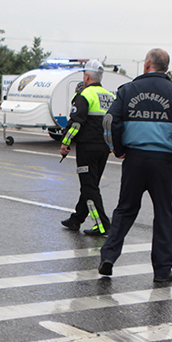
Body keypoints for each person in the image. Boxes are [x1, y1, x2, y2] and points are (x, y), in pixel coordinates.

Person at [98, 49, 172, 283]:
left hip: (134, 159)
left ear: (146, 65)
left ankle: (108, 257)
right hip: (163, 161)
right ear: (166, 68)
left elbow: (110, 121)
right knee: (163, 213)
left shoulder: (127, 90)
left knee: (125, 209)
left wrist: (118, 149)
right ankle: (162, 270)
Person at [59, 60, 115, 236]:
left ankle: (102, 224)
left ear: (87, 76)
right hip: (104, 147)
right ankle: (77, 219)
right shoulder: (109, 96)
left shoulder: (84, 95)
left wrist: (65, 143)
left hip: (88, 147)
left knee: (89, 187)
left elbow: (76, 124)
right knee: (91, 185)